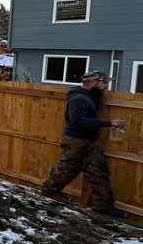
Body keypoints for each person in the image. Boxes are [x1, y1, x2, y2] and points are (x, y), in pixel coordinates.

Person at [42, 70, 125, 216]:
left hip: (91, 142)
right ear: (92, 82)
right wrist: (109, 123)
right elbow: (78, 121)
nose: (106, 86)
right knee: (65, 170)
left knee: (100, 174)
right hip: (76, 142)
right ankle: (49, 193)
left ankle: (103, 206)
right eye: (103, 83)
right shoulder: (79, 99)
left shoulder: (90, 98)